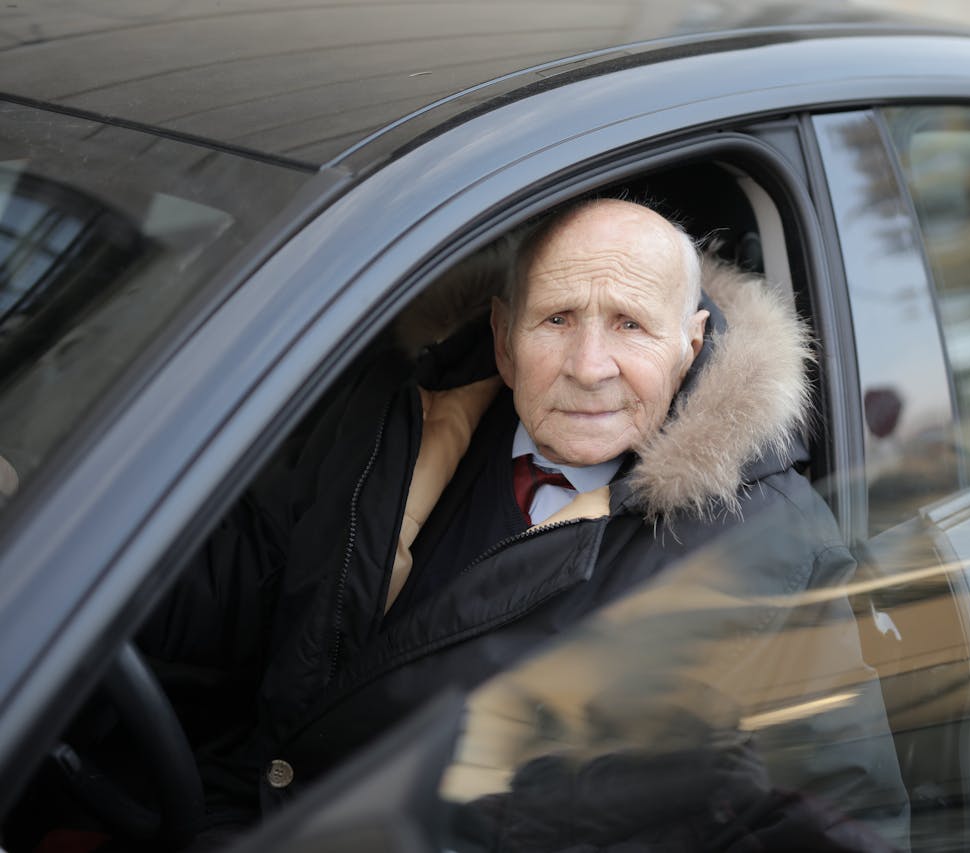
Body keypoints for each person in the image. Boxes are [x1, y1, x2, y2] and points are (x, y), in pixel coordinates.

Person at [141, 198, 908, 847]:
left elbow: (840, 812)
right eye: (558, 318)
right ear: (504, 340)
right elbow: (235, 584)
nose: (588, 364)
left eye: (631, 326)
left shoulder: (766, 550)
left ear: (691, 345)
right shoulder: (394, 422)